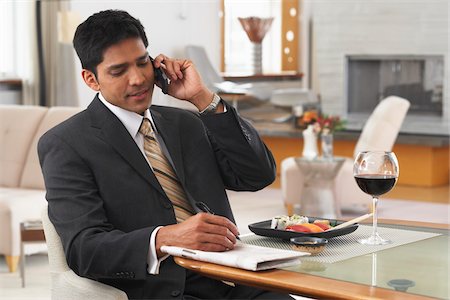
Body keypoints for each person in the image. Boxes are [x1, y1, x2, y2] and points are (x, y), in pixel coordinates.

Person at [38, 9, 292, 300]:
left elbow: (257, 175)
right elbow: (84, 250)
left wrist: (203, 99)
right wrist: (164, 238)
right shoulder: (65, 143)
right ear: (91, 79)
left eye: (142, 63)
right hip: (164, 290)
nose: (137, 79)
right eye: (119, 71)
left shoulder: (186, 123)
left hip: (237, 279)